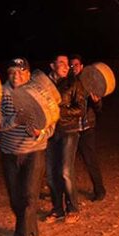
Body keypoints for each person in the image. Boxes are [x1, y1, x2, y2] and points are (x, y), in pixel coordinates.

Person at [0, 57, 51, 236]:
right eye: (12, 72)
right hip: (10, 152)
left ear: (28, 74)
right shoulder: (0, 93)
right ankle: (30, 226)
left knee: (29, 195)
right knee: (15, 198)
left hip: (34, 151)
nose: (16, 76)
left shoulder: (38, 92)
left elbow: (51, 121)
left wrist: (41, 132)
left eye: (20, 72)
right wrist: (15, 120)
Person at [45, 54, 87, 222]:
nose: (65, 65)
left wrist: (59, 111)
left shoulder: (74, 83)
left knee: (65, 171)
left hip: (69, 130)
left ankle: (73, 208)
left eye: (66, 63)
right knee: (51, 173)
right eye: (61, 63)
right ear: (52, 65)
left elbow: (81, 109)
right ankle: (57, 209)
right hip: (50, 132)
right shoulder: (45, 85)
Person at [69, 54, 106, 201]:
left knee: (90, 160)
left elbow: (99, 109)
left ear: (82, 67)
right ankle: (67, 192)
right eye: (71, 65)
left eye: (76, 65)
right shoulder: (67, 83)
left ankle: (100, 190)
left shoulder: (89, 83)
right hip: (71, 129)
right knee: (67, 162)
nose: (73, 68)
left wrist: (97, 102)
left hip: (86, 128)